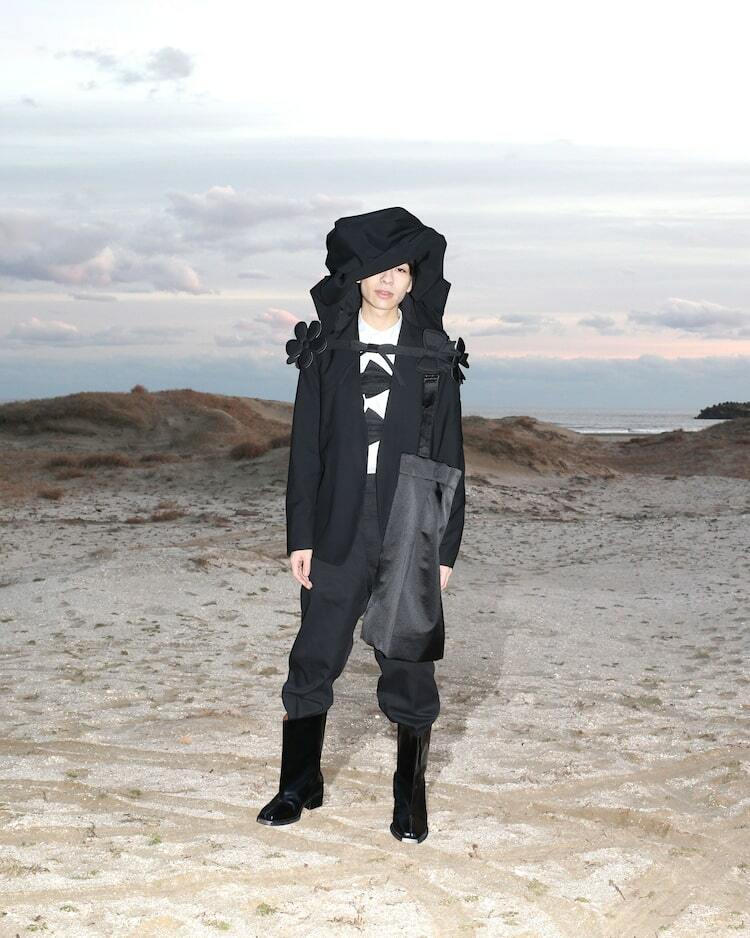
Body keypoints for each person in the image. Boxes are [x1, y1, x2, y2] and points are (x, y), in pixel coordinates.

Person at [257, 207, 468, 843]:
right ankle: (299, 784)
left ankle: (410, 797)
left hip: (411, 525)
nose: (387, 280)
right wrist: (300, 537)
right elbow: (305, 453)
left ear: (413, 278)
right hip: (337, 523)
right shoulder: (325, 350)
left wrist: (445, 548)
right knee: (315, 651)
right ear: (355, 275)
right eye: (377, 268)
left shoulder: (432, 354)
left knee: (408, 663)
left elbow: (450, 454)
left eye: (400, 269)